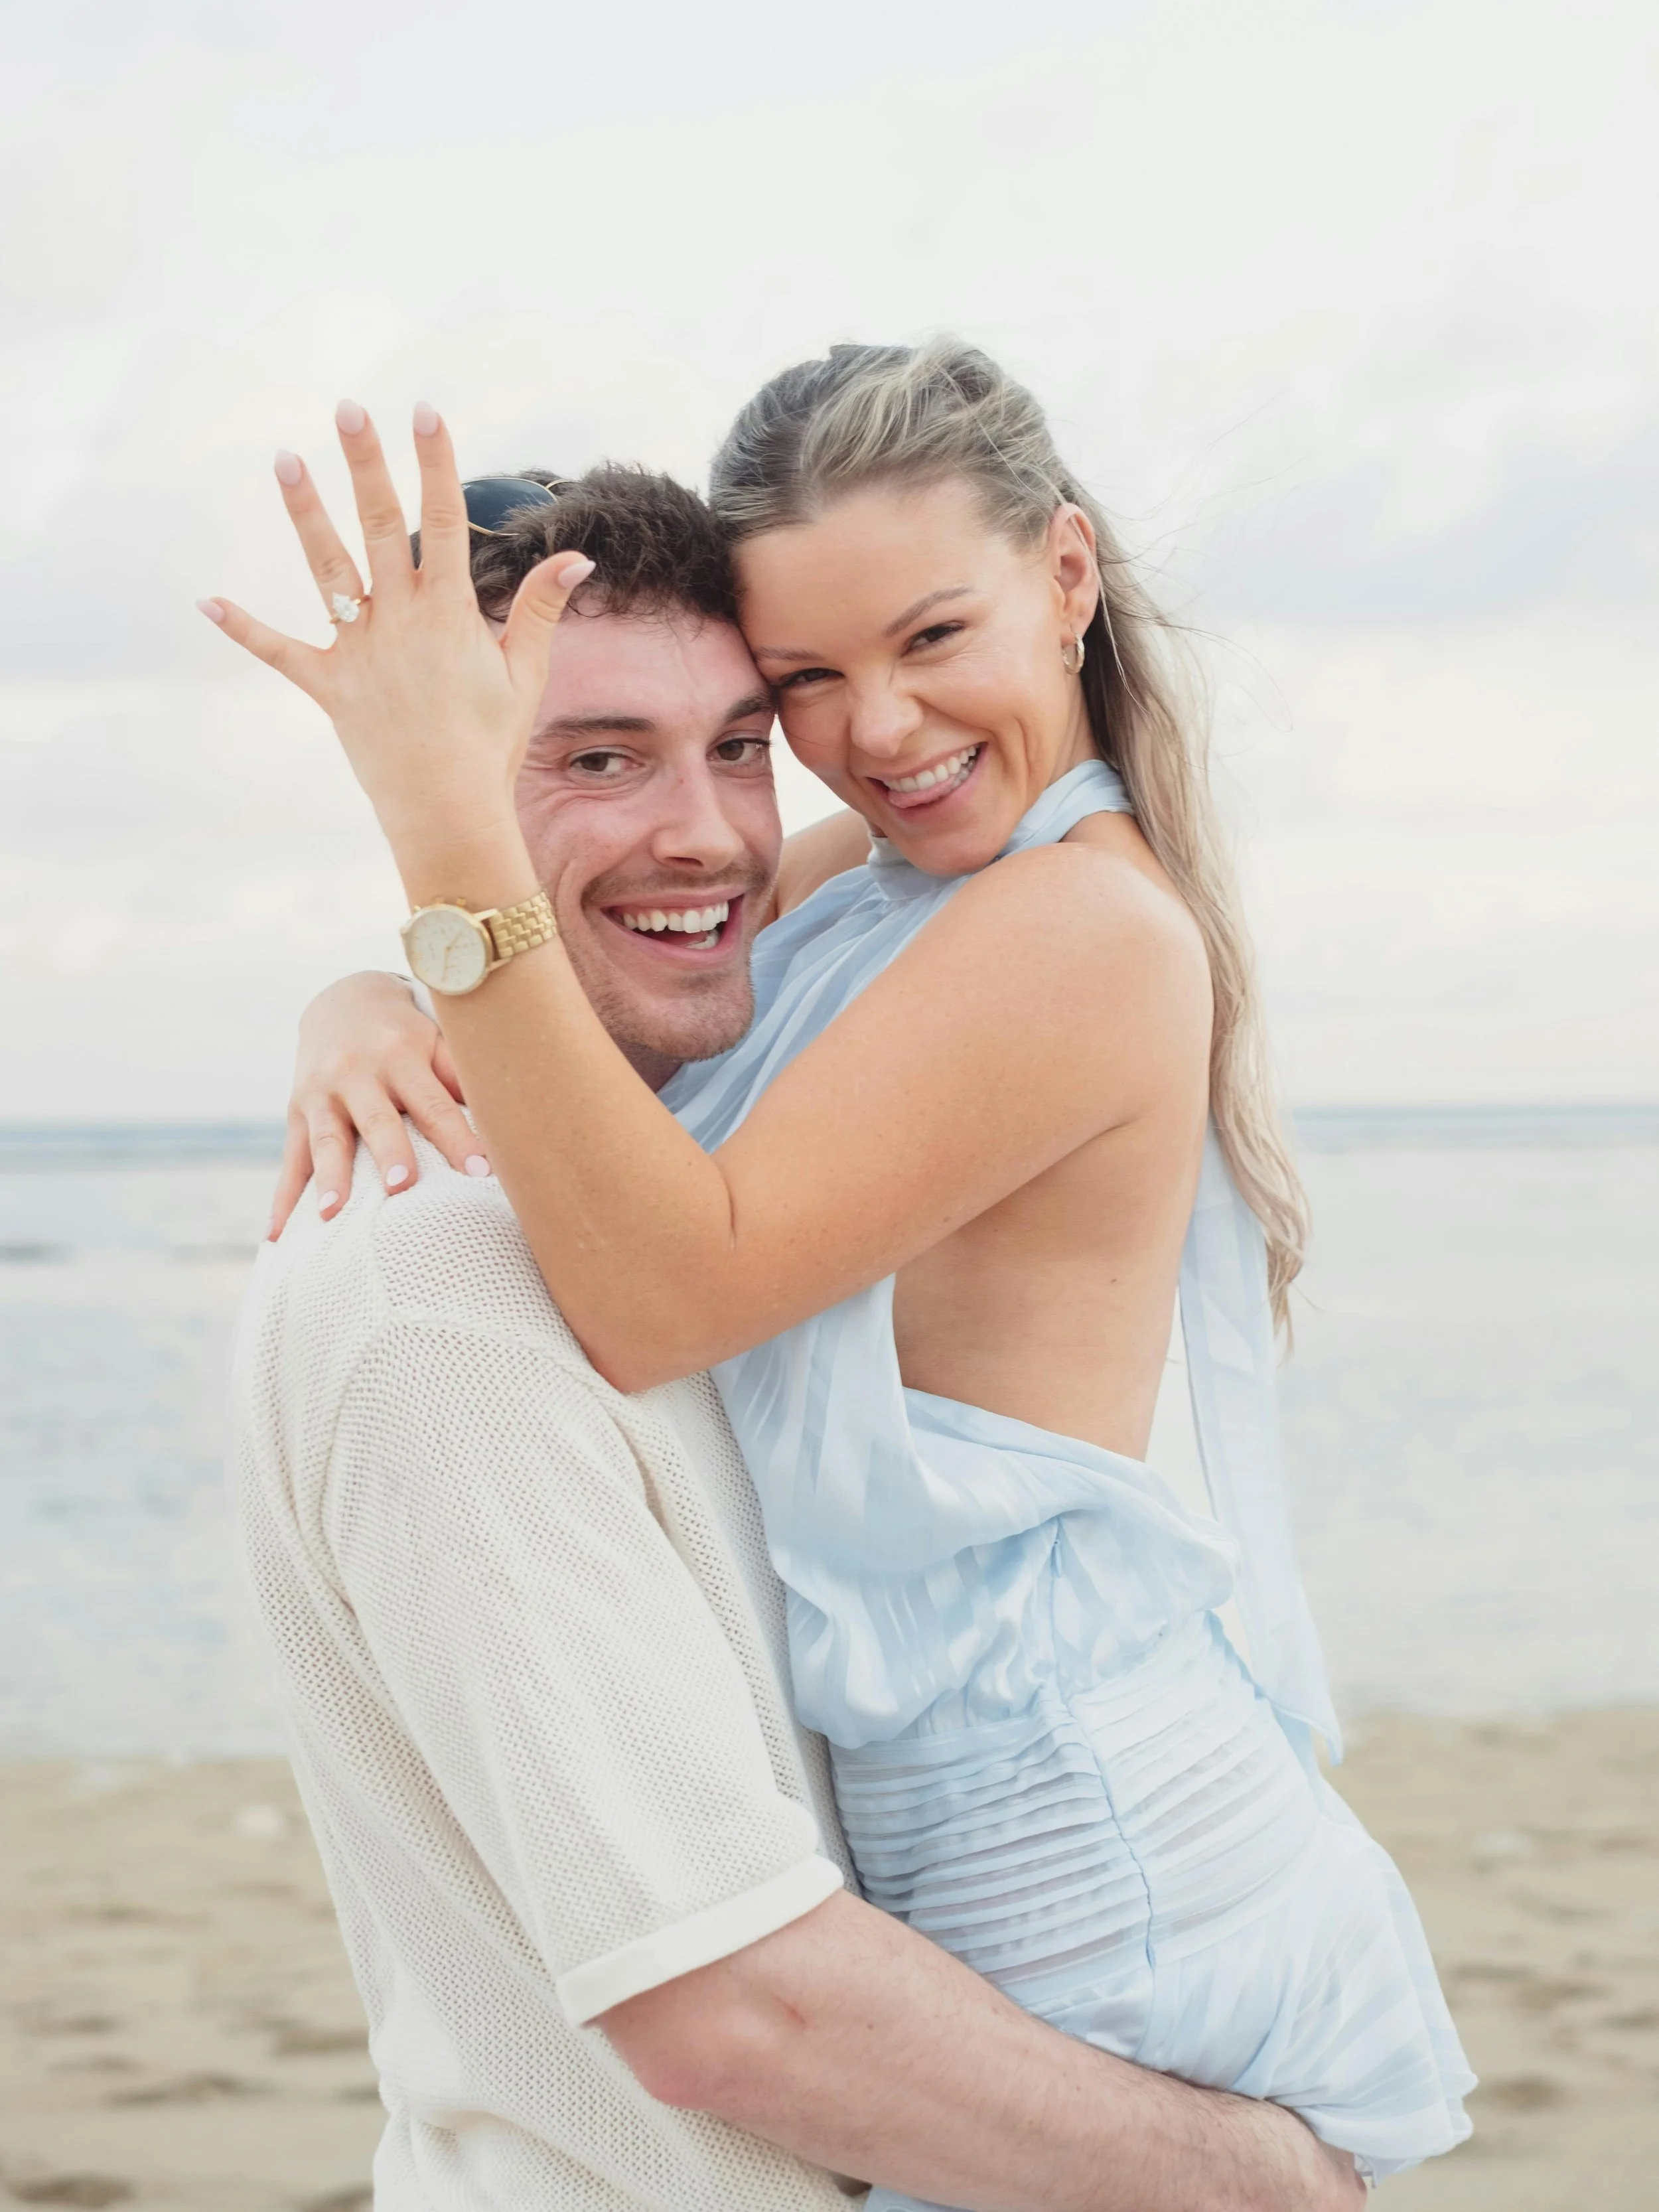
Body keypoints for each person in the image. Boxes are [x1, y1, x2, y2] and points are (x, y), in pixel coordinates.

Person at [205, 340, 1473, 2198]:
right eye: (804, 683)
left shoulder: (1071, 927)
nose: (871, 731)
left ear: (1065, 574)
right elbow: (620, 963)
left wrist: (438, 823)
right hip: (970, 1837)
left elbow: (655, 1263)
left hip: (1079, 1843)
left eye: (929, 637)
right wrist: (363, 999)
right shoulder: (884, 882)